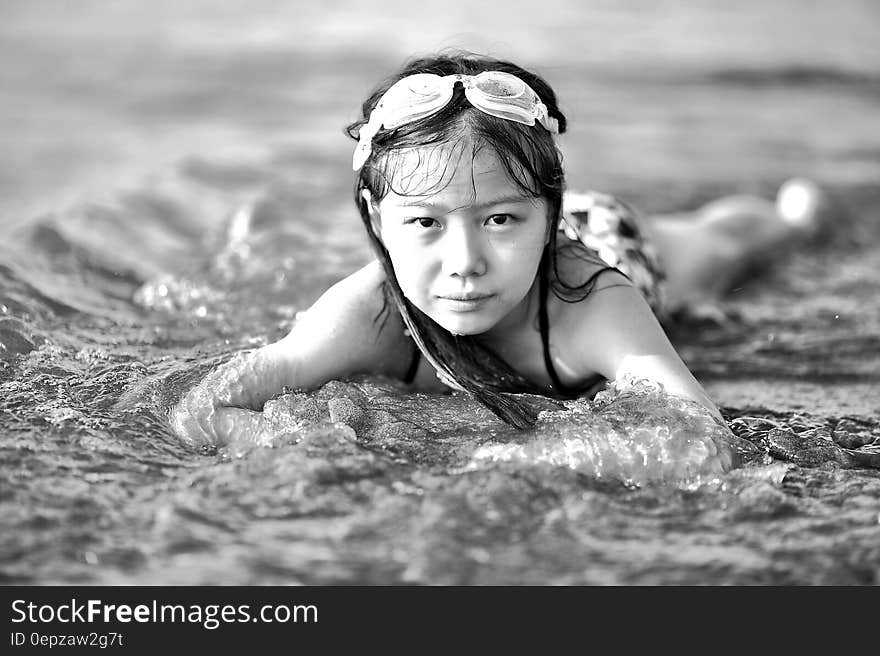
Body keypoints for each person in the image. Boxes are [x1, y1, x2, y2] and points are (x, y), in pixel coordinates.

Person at [171, 52, 829, 444]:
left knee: (720, 245)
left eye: (498, 223)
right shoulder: (370, 311)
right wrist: (283, 447)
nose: (464, 262)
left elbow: (703, 435)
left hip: (613, 243)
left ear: (546, 211)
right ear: (376, 216)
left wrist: (539, 455)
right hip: (535, 219)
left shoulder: (592, 301)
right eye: (425, 224)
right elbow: (204, 407)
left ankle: (790, 217)